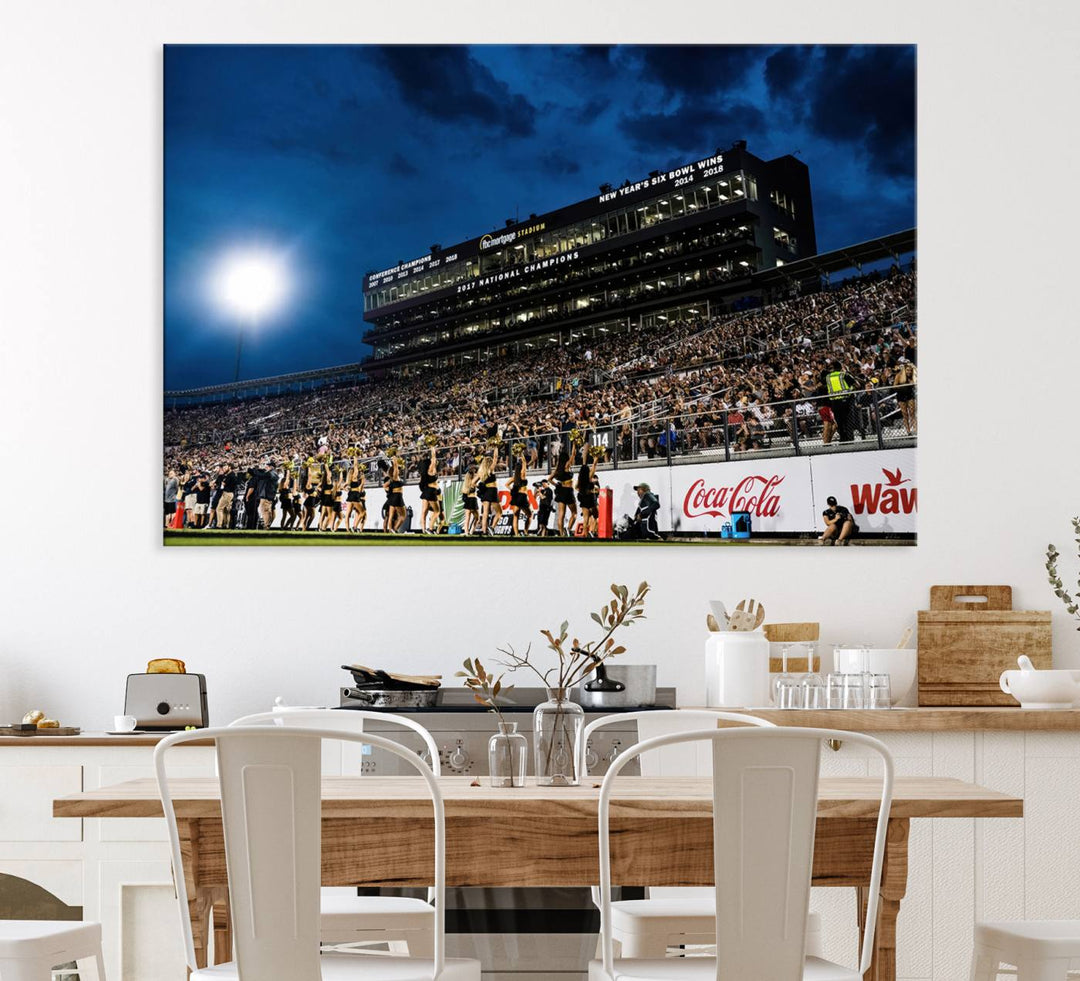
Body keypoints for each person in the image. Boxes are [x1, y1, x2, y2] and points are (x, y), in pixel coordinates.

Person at [547, 447, 577, 536]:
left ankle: (561, 534)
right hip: (568, 491)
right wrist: (574, 444)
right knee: (574, 513)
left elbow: (549, 479)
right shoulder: (567, 465)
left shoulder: (558, 468)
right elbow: (574, 454)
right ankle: (568, 528)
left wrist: (556, 485)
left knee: (561, 515)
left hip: (561, 492)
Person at [476, 445, 501, 535]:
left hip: (485, 492)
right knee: (499, 512)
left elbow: (472, 483)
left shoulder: (480, 472)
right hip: (492, 491)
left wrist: (480, 487)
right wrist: (496, 447)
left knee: (485, 512)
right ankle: (492, 527)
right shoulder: (490, 469)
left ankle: (483, 530)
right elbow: (496, 458)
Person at [576, 446, 599, 538]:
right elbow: (594, 465)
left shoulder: (580, 479)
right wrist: (596, 457)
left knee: (585, 519)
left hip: (584, 499)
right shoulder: (589, 477)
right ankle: (593, 532)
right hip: (591, 498)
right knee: (596, 516)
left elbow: (576, 487)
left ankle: (585, 535)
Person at [507, 449, 531, 537]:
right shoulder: (523, 474)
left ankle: (517, 534)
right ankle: (525, 531)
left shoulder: (515, 477)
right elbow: (524, 462)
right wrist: (521, 452)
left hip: (516, 496)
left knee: (516, 515)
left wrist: (511, 489)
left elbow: (506, 484)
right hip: (522, 496)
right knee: (530, 515)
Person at [418, 446, 440, 534]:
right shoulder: (431, 469)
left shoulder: (423, 473)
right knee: (437, 511)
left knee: (424, 512)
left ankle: (423, 530)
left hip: (425, 491)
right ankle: (430, 529)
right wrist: (433, 450)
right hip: (431, 491)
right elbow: (434, 459)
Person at [383, 456, 406, 533]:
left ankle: (391, 530)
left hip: (393, 497)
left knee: (391, 515)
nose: (398, 470)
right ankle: (395, 529)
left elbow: (384, 486)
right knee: (403, 515)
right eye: (397, 470)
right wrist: (394, 458)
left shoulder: (392, 479)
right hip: (398, 496)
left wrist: (389, 491)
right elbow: (396, 467)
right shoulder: (395, 477)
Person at [344, 459, 366, 533]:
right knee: (362, 512)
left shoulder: (350, 478)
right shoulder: (354, 476)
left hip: (351, 495)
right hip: (355, 495)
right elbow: (356, 465)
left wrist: (347, 489)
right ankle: (354, 527)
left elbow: (344, 486)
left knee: (348, 513)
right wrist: (355, 457)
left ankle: (347, 529)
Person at [460, 464, 480, 536]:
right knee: (477, 518)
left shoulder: (466, 483)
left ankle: (466, 532)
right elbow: (479, 473)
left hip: (468, 500)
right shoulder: (473, 482)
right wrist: (475, 467)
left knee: (467, 518)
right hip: (473, 500)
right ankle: (471, 531)